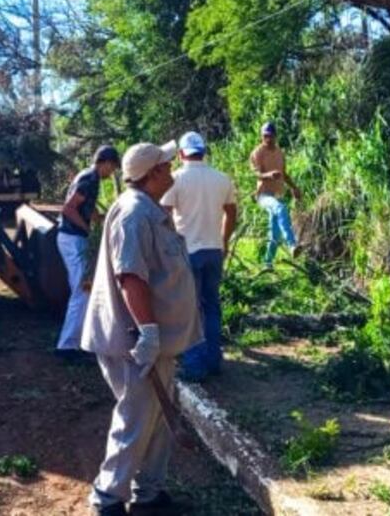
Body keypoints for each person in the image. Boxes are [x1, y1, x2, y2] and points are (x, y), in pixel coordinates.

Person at [81, 141, 201, 516]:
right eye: (166, 167)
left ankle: (147, 492)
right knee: (135, 419)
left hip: (156, 341)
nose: (171, 170)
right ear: (152, 176)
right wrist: (148, 332)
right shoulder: (134, 214)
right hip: (135, 341)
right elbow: (131, 278)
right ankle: (107, 498)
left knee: (157, 421)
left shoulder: (149, 209)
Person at [161, 131, 237, 382]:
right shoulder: (222, 178)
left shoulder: (175, 180)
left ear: (182, 154)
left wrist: (170, 240)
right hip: (214, 250)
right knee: (211, 305)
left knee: (190, 310)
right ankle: (213, 359)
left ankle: (194, 366)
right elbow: (231, 212)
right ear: (204, 151)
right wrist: (224, 240)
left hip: (188, 251)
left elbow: (164, 213)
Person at [55, 145, 121, 356]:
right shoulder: (89, 179)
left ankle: (78, 340)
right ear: (106, 163)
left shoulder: (89, 177)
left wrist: (100, 220)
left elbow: (86, 206)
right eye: (112, 169)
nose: (111, 173)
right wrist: (87, 230)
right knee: (82, 291)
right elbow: (69, 208)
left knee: (84, 289)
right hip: (72, 238)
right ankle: (67, 346)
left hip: (73, 238)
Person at [249, 121, 302, 268]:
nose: (268, 139)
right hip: (263, 195)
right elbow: (256, 174)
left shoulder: (279, 152)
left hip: (277, 194)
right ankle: (292, 245)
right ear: (261, 136)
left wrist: (294, 188)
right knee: (281, 208)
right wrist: (269, 175)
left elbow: (284, 174)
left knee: (274, 235)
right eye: (265, 136)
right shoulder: (257, 153)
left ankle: (267, 264)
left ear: (275, 136)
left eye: (270, 136)